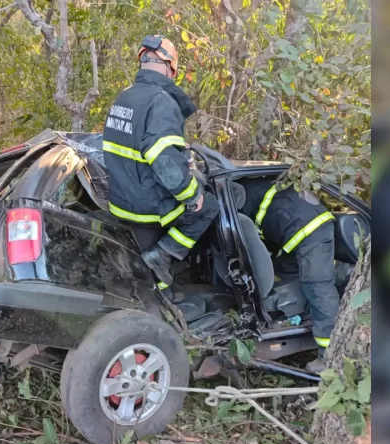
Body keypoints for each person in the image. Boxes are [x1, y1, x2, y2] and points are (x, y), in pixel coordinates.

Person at [102, 35, 219, 299]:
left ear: (142, 60)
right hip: (148, 205)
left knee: (155, 277)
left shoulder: (124, 98)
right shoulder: (161, 100)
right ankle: (164, 254)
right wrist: (192, 195)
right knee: (208, 206)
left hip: (123, 200)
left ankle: (162, 299)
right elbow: (163, 159)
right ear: (170, 67)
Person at [238, 178, 339, 373]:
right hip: (293, 229)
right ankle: (305, 312)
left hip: (311, 228)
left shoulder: (241, 199)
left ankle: (329, 355)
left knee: (317, 286)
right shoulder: (247, 190)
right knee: (292, 275)